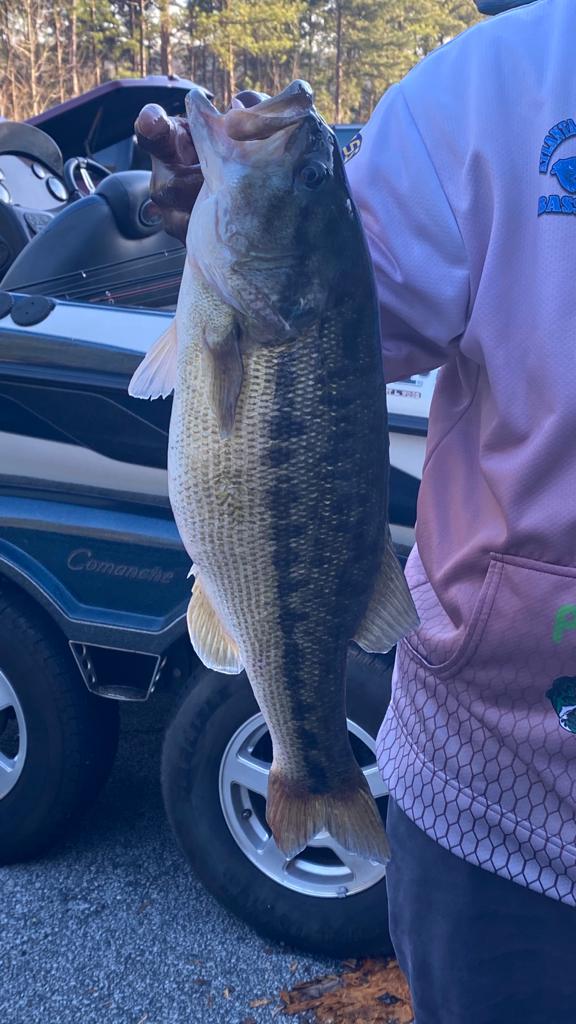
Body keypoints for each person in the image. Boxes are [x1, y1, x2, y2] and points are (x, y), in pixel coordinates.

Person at [138, 1, 576, 1018]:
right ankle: (313, 766)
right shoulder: (485, 89)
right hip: (498, 801)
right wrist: (237, 209)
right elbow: (334, 310)